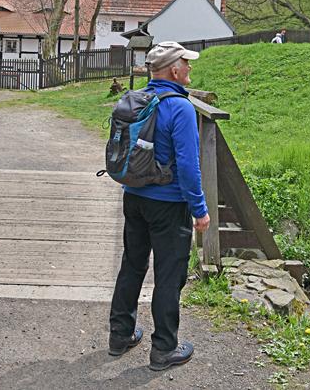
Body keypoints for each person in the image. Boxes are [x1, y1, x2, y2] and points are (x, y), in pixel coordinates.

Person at [108, 41, 210, 371]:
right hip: (168, 205)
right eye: (186, 63)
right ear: (173, 70)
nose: (190, 68)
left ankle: (120, 335)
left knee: (133, 264)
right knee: (169, 275)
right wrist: (199, 209)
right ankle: (164, 348)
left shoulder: (140, 99)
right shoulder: (180, 107)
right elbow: (189, 166)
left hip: (134, 196)